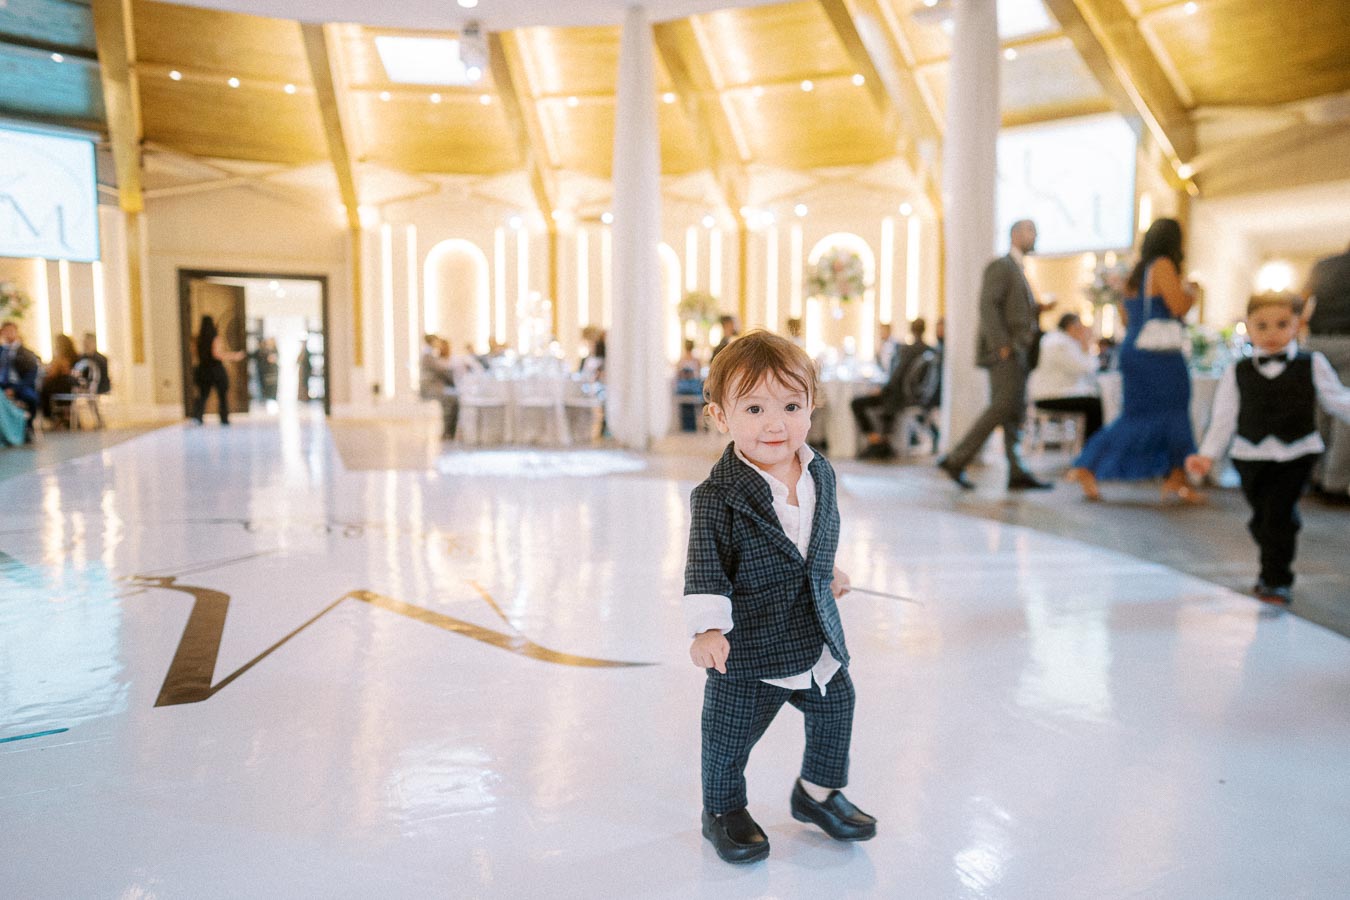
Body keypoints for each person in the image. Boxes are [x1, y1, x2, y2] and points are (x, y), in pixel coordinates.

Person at [684, 329, 875, 865]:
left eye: (791, 406)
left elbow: (811, 535)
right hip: (749, 644)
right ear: (720, 416)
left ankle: (817, 793)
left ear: (812, 406)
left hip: (811, 631)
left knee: (837, 704)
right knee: (729, 733)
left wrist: (826, 569)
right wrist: (708, 627)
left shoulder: (819, 472)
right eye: (754, 409)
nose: (776, 424)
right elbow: (705, 567)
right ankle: (722, 809)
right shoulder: (718, 497)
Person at [1186, 292, 1350, 605]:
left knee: (1278, 515)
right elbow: (1224, 418)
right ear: (1248, 326)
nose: (1272, 333)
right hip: (1250, 455)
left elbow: (1337, 399)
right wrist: (1207, 455)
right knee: (1263, 519)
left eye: (1282, 324)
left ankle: (1276, 581)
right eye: (1261, 325)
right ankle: (1273, 563)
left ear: (1297, 325)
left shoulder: (1313, 363)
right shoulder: (1237, 370)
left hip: (1297, 453)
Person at [1067, 218, 1200, 502]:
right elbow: (1178, 306)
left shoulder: (1133, 275)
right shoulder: (1163, 266)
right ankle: (1089, 465)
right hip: (1160, 357)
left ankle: (1176, 477)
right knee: (1173, 414)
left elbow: (1127, 320)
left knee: (1139, 416)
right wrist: (1192, 292)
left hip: (1135, 350)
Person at [937, 219, 1051, 491]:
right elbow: (988, 305)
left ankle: (1016, 470)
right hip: (1006, 352)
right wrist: (1002, 345)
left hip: (1019, 350)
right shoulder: (1001, 266)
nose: (1035, 236)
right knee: (1002, 406)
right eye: (1031, 231)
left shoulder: (1019, 269)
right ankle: (956, 459)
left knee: (1014, 411)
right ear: (1016, 234)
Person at [1303, 240, 1350, 500]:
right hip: (1348, 342)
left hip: (1317, 340)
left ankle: (1311, 475)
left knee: (1317, 409)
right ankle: (1335, 482)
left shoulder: (1323, 265)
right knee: (1345, 411)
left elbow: (1304, 298)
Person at [851, 317, 934, 459]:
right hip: (917, 396)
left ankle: (876, 440)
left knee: (856, 403)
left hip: (897, 396)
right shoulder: (929, 350)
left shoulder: (906, 349)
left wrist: (882, 390)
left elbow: (897, 377)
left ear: (911, 330)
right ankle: (881, 441)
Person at [1029, 313, 1104, 441]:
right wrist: (1086, 345)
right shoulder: (1060, 343)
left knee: (1093, 400)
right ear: (1071, 327)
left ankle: (1092, 446)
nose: (1083, 332)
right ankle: (1092, 447)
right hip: (1051, 396)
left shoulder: (1059, 340)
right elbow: (1086, 368)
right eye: (1080, 328)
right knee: (1094, 404)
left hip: (1053, 393)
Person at [190, 315, 244, 424]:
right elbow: (217, 354)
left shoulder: (198, 339)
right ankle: (224, 418)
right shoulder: (215, 338)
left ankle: (197, 416)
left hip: (202, 370)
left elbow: (195, 354)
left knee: (203, 395)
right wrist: (234, 356)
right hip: (216, 370)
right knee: (222, 395)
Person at [0, 320, 41, 419]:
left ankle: (27, 424)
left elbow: (31, 376)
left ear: (17, 332)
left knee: (31, 398)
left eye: (11, 331)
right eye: (6, 331)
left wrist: (14, 389)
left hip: (20, 386)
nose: (8, 334)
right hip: (2, 386)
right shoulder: (1, 351)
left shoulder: (26, 353)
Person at [675, 339, 703, 432]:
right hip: (693, 389)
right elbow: (698, 375)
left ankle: (686, 426)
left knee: (685, 406)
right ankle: (692, 426)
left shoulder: (681, 360)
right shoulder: (696, 360)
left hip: (683, 389)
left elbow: (678, 375)